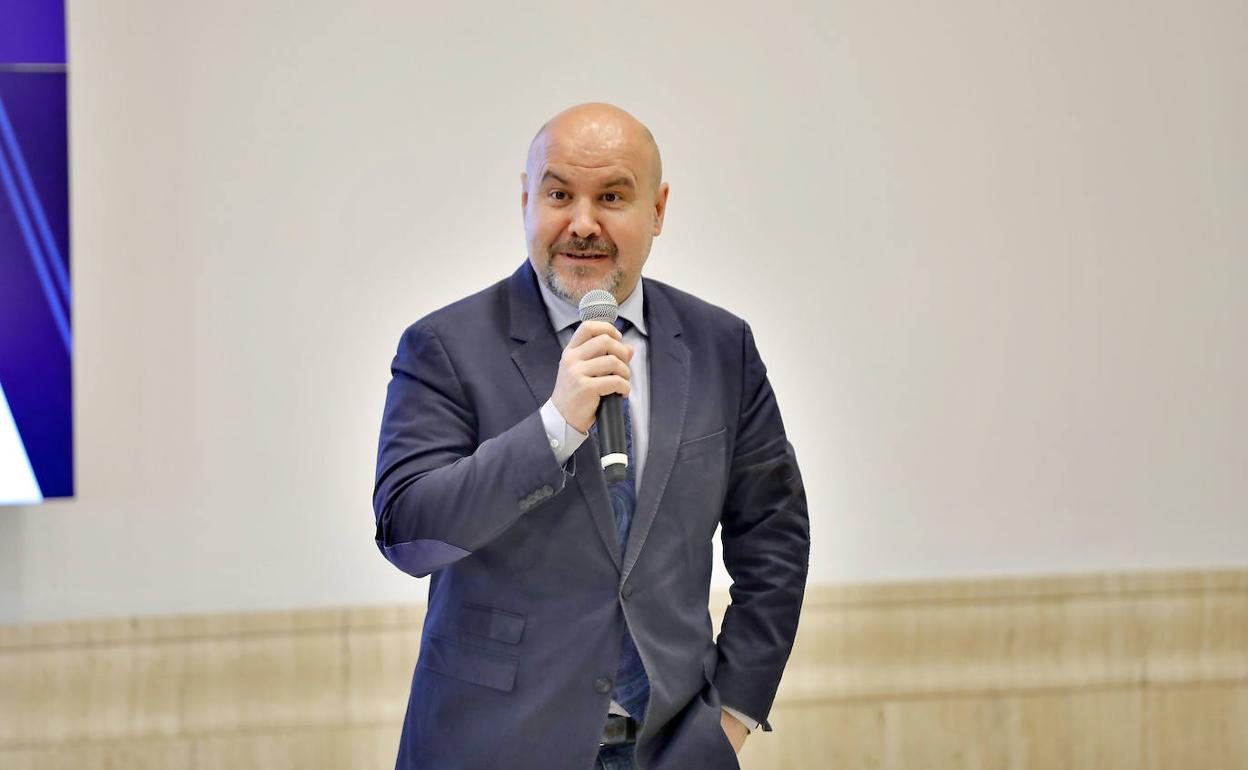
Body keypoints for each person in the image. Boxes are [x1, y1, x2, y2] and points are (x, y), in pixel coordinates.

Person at [373, 103, 809, 770]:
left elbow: (774, 538)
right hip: (492, 748)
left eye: (610, 197)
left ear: (657, 210)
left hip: (673, 750)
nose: (581, 223)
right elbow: (408, 534)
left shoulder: (722, 346)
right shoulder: (444, 347)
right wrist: (554, 426)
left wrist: (731, 719)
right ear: (526, 201)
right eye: (558, 195)